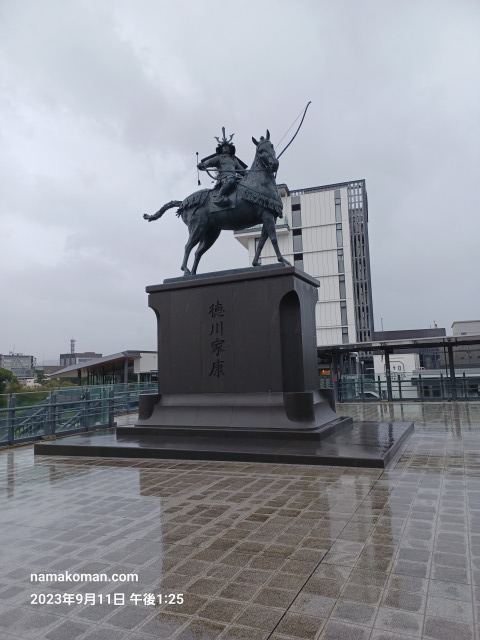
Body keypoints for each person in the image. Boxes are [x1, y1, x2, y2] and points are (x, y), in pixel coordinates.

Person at [197, 129, 247, 207]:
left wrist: (247, 174)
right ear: (221, 149)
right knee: (231, 180)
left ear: (230, 149)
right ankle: (219, 196)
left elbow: (241, 170)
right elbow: (209, 162)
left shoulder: (234, 159)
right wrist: (203, 164)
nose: (225, 148)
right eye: (224, 147)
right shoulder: (219, 158)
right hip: (224, 178)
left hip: (234, 177)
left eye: (227, 147)